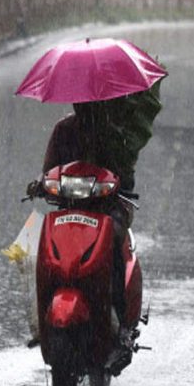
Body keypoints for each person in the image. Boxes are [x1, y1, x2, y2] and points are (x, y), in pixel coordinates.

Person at [28, 81, 162, 339]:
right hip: (69, 209)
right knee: (41, 245)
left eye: (91, 102)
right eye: (81, 101)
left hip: (110, 208)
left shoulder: (117, 133)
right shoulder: (63, 130)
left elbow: (126, 175)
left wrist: (116, 185)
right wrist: (40, 185)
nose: (85, 106)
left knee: (113, 241)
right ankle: (42, 316)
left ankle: (120, 319)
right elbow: (48, 170)